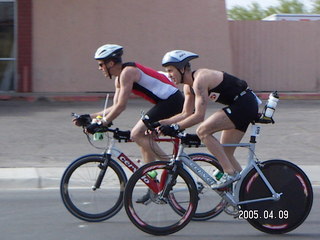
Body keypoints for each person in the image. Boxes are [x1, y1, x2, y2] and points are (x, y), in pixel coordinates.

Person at [158, 50, 261, 189]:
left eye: (170, 70)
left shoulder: (200, 80)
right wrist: (160, 124)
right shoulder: (189, 87)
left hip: (244, 103)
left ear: (182, 68)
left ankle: (229, 173)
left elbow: (199, 116)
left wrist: (176, 127)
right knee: (225, 153)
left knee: (203, 131)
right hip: (240, 106)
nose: (169, 75)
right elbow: (185, 114)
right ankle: (248, 190)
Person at [73, 44, 184, 170]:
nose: (99, 68)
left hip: (173, 101)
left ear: (110, 64)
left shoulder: (128, 72)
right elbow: (115, 106)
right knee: (144, 137)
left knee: (136, 134)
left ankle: (173, 167)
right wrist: (89, 117)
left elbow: (121, 106)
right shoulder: (119, 78)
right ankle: (152, 179)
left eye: (100, 64)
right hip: (165, 102)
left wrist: (103, 123)